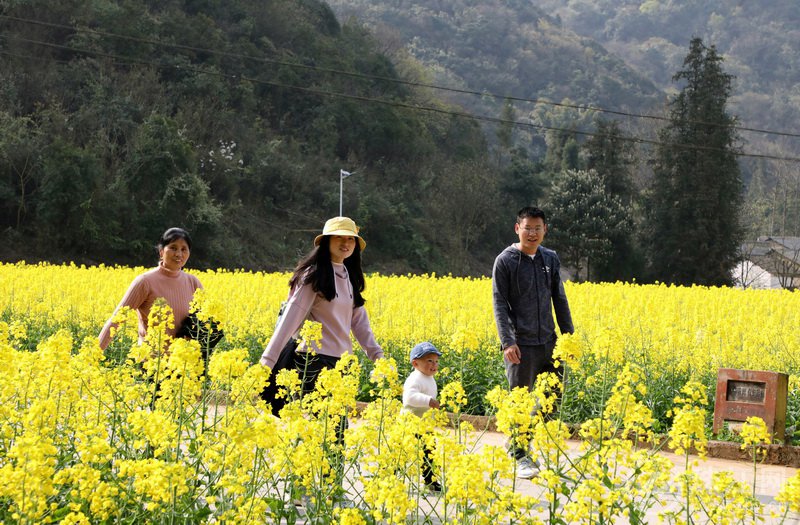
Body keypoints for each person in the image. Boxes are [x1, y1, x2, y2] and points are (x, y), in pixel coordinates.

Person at [259, 216, 384, 407]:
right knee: (329, 427)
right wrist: (267, 362)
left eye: (351, 239)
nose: (346, 243)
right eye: (339, 237)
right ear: (326, 241)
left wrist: (378, 357)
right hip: (314, 360)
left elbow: (360, 323)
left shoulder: (349, 277)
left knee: (332, 428)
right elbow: (290, 319)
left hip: (342, 363)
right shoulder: (313, 276)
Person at [491, 206, 574, 479]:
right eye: (528, 228)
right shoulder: (505, 261)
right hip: (520, 346)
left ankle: (519, 440)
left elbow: (559, 299)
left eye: (538, 228)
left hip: (549, 342)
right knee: (520, 401)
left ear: (545, 230)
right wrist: (507, 342)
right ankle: (520, 453)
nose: (533, 233)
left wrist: (569, 340)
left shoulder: (550, 259)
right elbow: (499, 304)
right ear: (518, 229)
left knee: (553, 398)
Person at [98, 227, 203, 350]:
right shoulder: (145, 282)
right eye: (173, 248)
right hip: (151, 363)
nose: (179, 254)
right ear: (161, 252)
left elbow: (205, 323)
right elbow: (116, 319)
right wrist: (93, 355)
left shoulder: (193, 283)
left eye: (184, 249)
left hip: (184, 364)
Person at [402, 341, 443, 493]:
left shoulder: (428, 377)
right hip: (410, 424)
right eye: (429, 361)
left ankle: (430, 481)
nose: (434, 364)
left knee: (429, 453)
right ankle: (390, 476)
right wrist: (428, 401)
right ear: (415, 363)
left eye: (436, 361)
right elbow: (409, 398)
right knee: (402, 453)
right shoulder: (415, 378)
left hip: (424, 425)